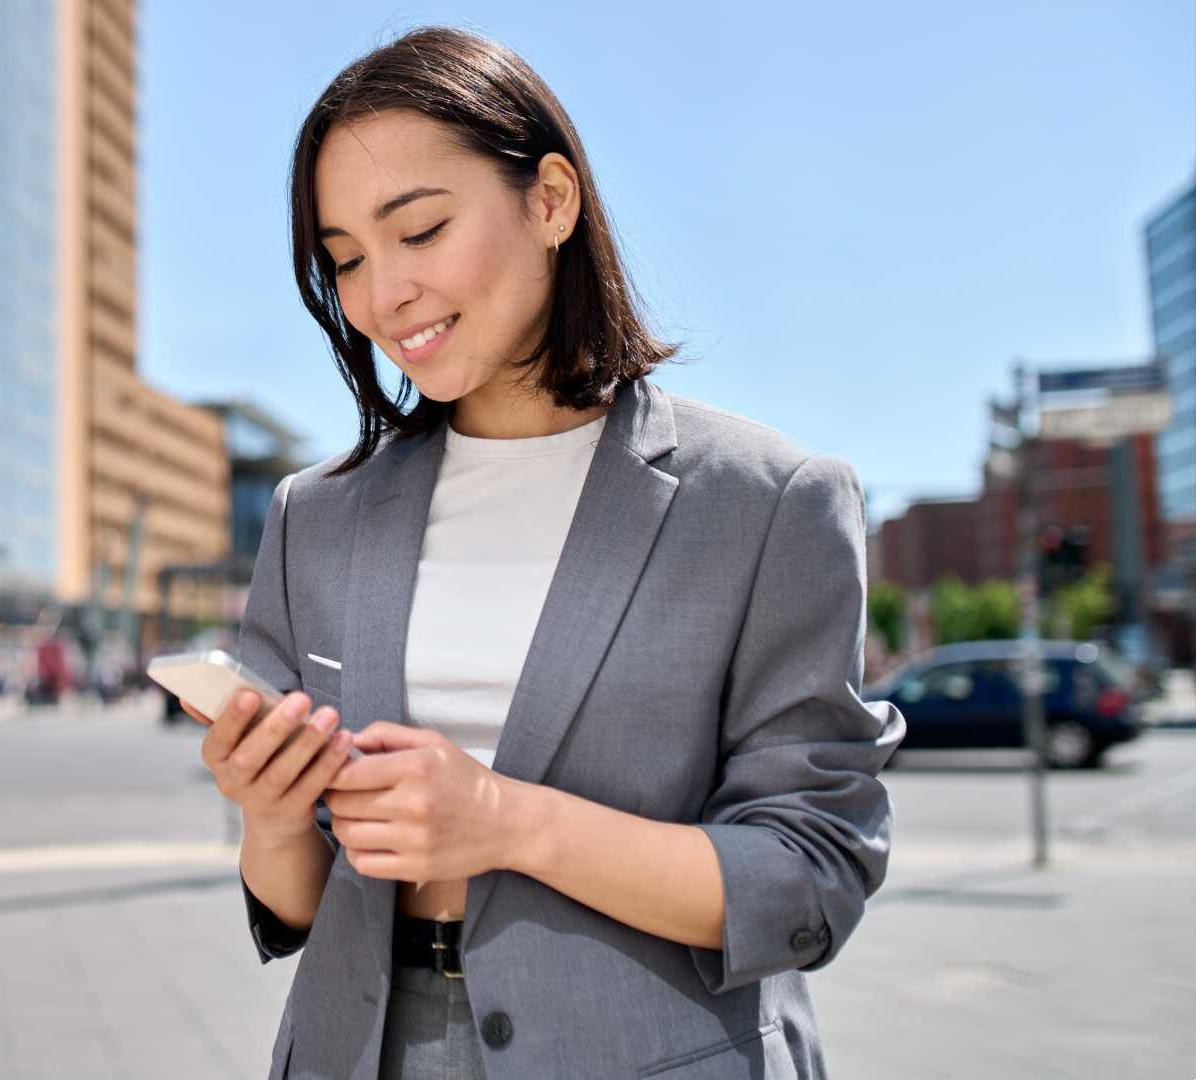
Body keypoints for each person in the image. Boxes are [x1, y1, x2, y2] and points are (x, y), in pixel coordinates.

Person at [184, 27, 905, 1080]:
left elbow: (809, 876)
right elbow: (293, 902)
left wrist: (504, 822)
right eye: (344, 259)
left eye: (419, 230)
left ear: (552, 201)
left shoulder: (766, 503)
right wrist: (270, 813)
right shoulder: (314, 517)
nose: (382, 296)